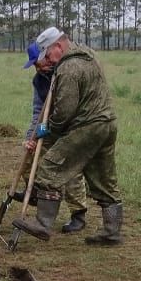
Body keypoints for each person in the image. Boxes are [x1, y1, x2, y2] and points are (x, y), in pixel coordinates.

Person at [13, 27, 123, 246]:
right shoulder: (88, 55)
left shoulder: (68, 68)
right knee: (103, 179)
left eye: (48, 55)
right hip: (107, 123)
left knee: (49, 167)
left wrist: (43, 132)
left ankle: (43, 224)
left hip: (87, 126)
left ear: (59, 45)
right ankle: (112, 232)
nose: (49, 61)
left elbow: (63, 114)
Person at [23, 42, 91, 233]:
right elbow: (38, 112)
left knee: (70, 170)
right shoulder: (39, 81)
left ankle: (78, 213)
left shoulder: (65, 72)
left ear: (47, 56)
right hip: (49, 127)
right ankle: (36, 194)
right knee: (31, 158)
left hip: (71, 127)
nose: (37, 68)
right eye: (34, 65)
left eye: (38, 63)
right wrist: (32, 137)